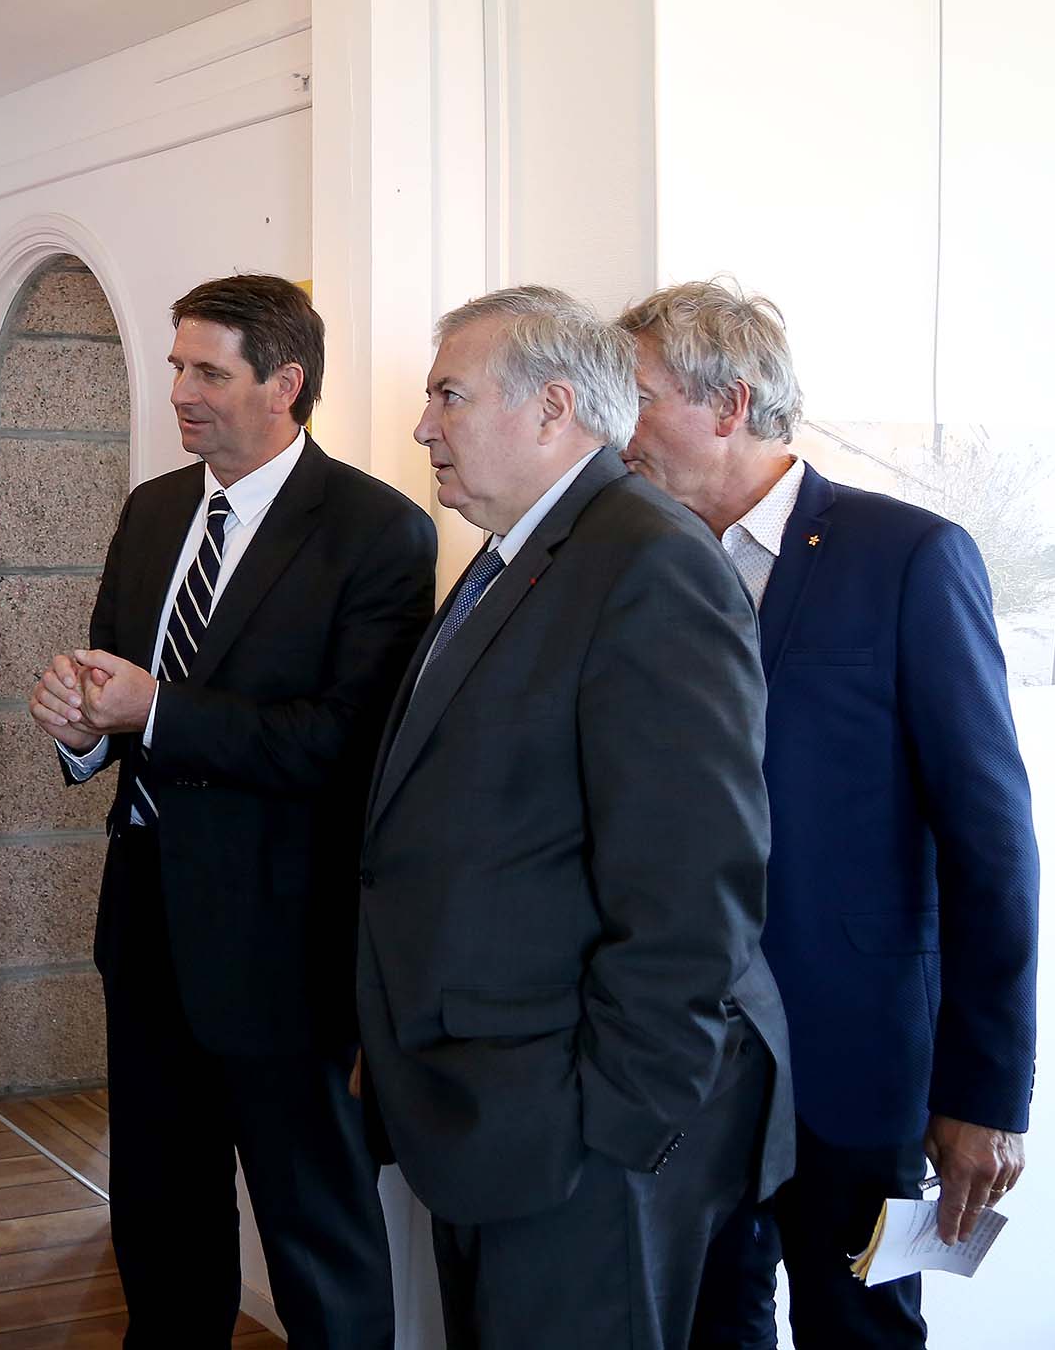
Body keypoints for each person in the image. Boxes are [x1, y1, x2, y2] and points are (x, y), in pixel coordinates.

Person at [354, 285, 792, 1350]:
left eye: (449, 396)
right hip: (487, 1111)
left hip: (575, 1133)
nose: (423, 426)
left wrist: (616, 1125)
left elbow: (692, 885)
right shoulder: (514, 555)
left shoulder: (649, 558)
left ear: (552, 407)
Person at [618, 280, 1037, 1349]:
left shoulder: (907, 555)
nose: (618, 428)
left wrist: (985, 1090)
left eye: (638, 397)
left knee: (862, 1333)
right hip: (683, 1063)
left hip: (855, 1064)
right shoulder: (639, 563)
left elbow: (990, 840)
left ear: (727, 404)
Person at [28, 274, 435, 1346]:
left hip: (282, 951)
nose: (179, 391)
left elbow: (340, 743)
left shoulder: (376, 530)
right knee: (160, 1223)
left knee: (316, 1240)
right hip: (146, 928)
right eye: (177, 367)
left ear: (283, 383)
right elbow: (115, 687)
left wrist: (155, 708)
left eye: (207, 371)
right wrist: (80, 727)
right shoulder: (154, 509)